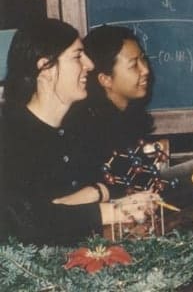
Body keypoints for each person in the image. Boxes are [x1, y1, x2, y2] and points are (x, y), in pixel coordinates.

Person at [1, 18, 156, 244]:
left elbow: (112, 182)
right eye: (77, 56)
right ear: (46, 68)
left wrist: (94, 193)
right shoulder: (9, 137)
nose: (90, 65)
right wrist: (110, 211)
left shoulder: (76, 127)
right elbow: (23, 224)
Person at [65, 24, 154, 170]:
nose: (145, 70)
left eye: (143, 60)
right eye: (133, 65)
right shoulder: (94, 133)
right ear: (105, 79)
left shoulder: (126, 117)